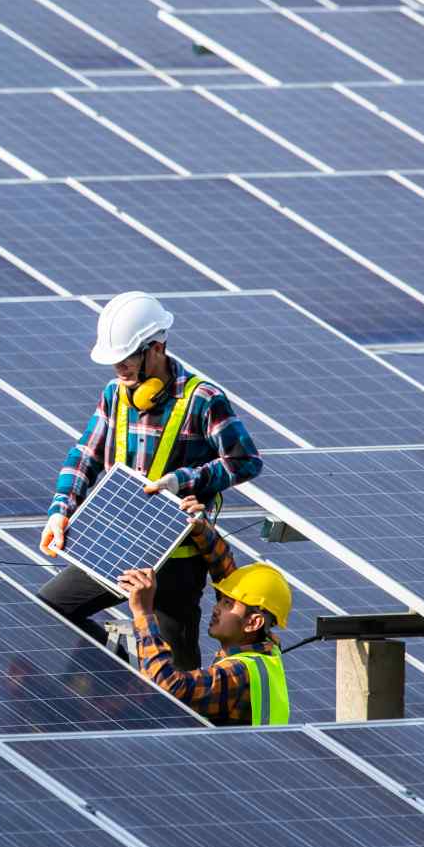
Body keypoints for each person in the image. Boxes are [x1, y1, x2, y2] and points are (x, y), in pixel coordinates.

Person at [37, 291, 262, 669]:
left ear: (155, 347)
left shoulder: (203, 400)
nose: (119, 370)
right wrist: (60, 511)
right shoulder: (114, 395)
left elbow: (246, 461)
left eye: (126, 360)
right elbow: (85, 455)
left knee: (178, 678)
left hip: (178, 562)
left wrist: (184, 481)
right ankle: (123, 670)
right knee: (49, 609)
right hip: (115, 546)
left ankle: (163, 700)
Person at [118, 501, 291, 726]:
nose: (217, 608)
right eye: (221, 600)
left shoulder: (239, 672)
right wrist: (202, 529)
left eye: (228, 604)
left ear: (253, 622)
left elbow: (168, 686)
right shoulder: (264, 655)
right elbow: (226, 573)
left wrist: (143, 614)